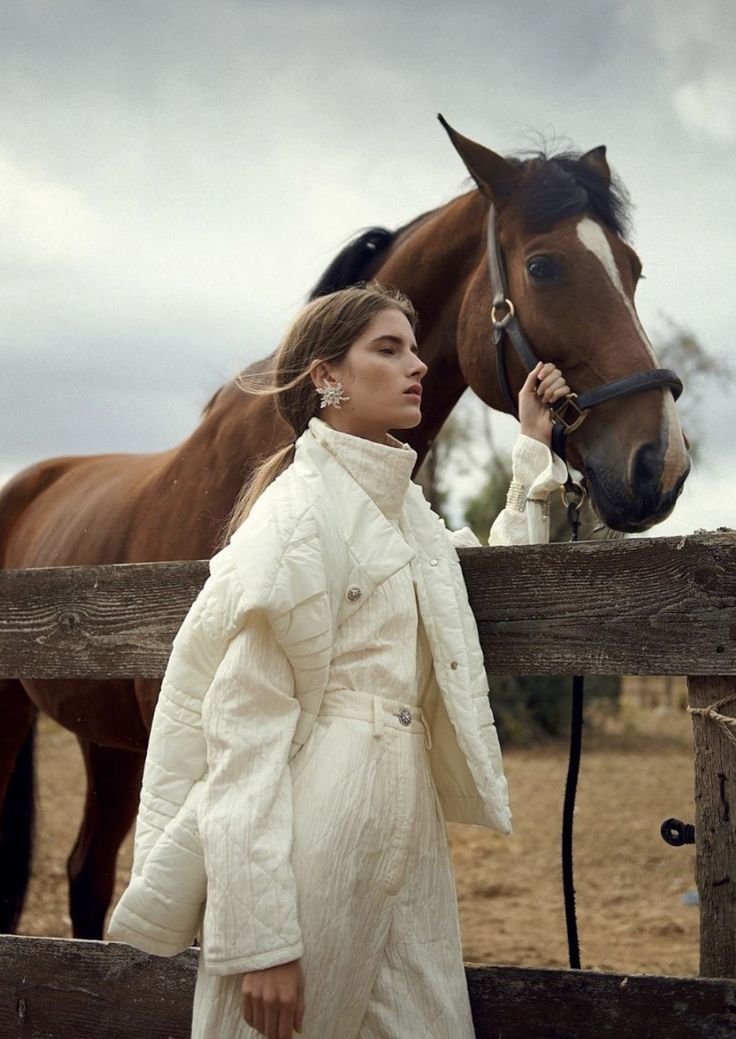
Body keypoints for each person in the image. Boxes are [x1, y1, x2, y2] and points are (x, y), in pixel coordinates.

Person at [107, 282, 569, 1039]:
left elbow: (461, 598)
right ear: (328, 377)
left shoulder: (405, 514)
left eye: (413, 348)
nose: (417, 365)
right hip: (314, 831)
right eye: (387, 349)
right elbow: (243, 742)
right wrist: (261, 944)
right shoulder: (293, 523)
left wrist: (531, 444)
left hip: (407, 826)